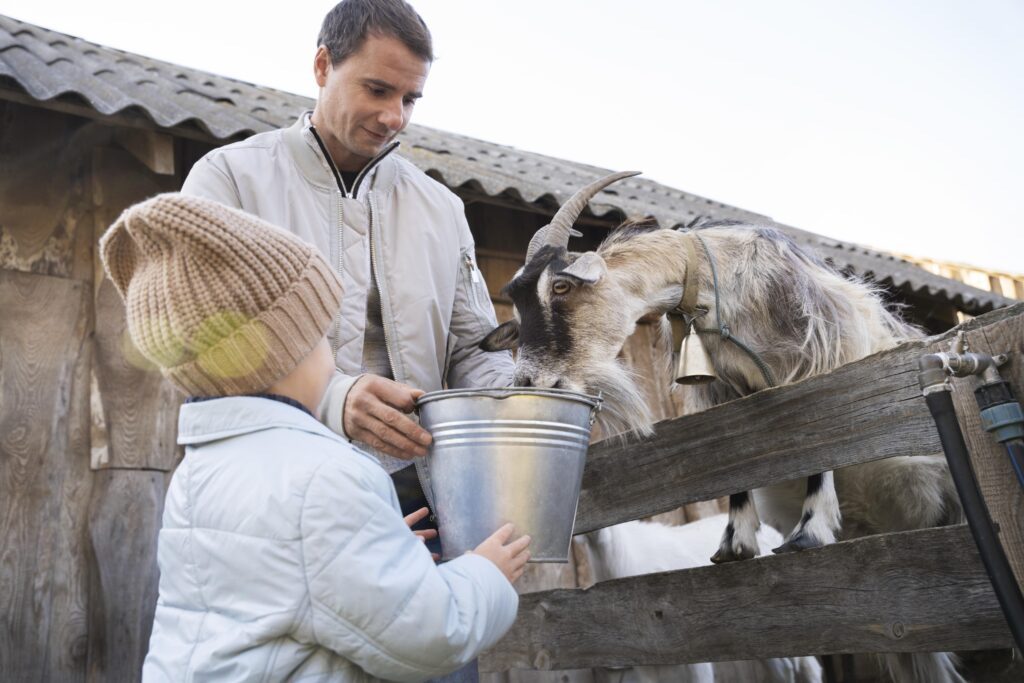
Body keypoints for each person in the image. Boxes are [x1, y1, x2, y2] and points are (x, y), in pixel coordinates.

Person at [100, 193, 530, 682]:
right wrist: (484, 573)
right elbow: (432, 633)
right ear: (283, 354)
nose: (331, 356)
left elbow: (285, 570)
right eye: (320, 338)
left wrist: (372, 545)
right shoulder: (326, 477)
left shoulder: (200, 472)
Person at [180, 0, 513, 481]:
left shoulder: (442, 209)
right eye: (377, 89)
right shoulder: (230, 179)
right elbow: (198, 338)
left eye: (410, 98)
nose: (394, 116)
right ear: (322, 66)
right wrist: (330, 396)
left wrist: (523, 399)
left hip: (414, 498)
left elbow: (474, 349)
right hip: (266, 486)